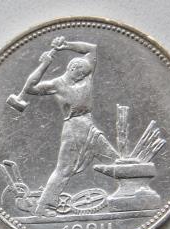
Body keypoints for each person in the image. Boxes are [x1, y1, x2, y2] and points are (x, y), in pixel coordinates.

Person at [24, 36, 120, 216]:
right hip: (73, 128)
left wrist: (66, 45)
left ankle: (127, 196)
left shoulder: (87, 75)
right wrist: (44, 64)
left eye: (85, 74)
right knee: (64, 169)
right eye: (80, 73)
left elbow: (92, 48)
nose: (84, 76)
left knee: (115, 160)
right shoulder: (56, 84)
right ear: (72, 68)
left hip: (89, 126)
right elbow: (30, 88)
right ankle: (43, 207)